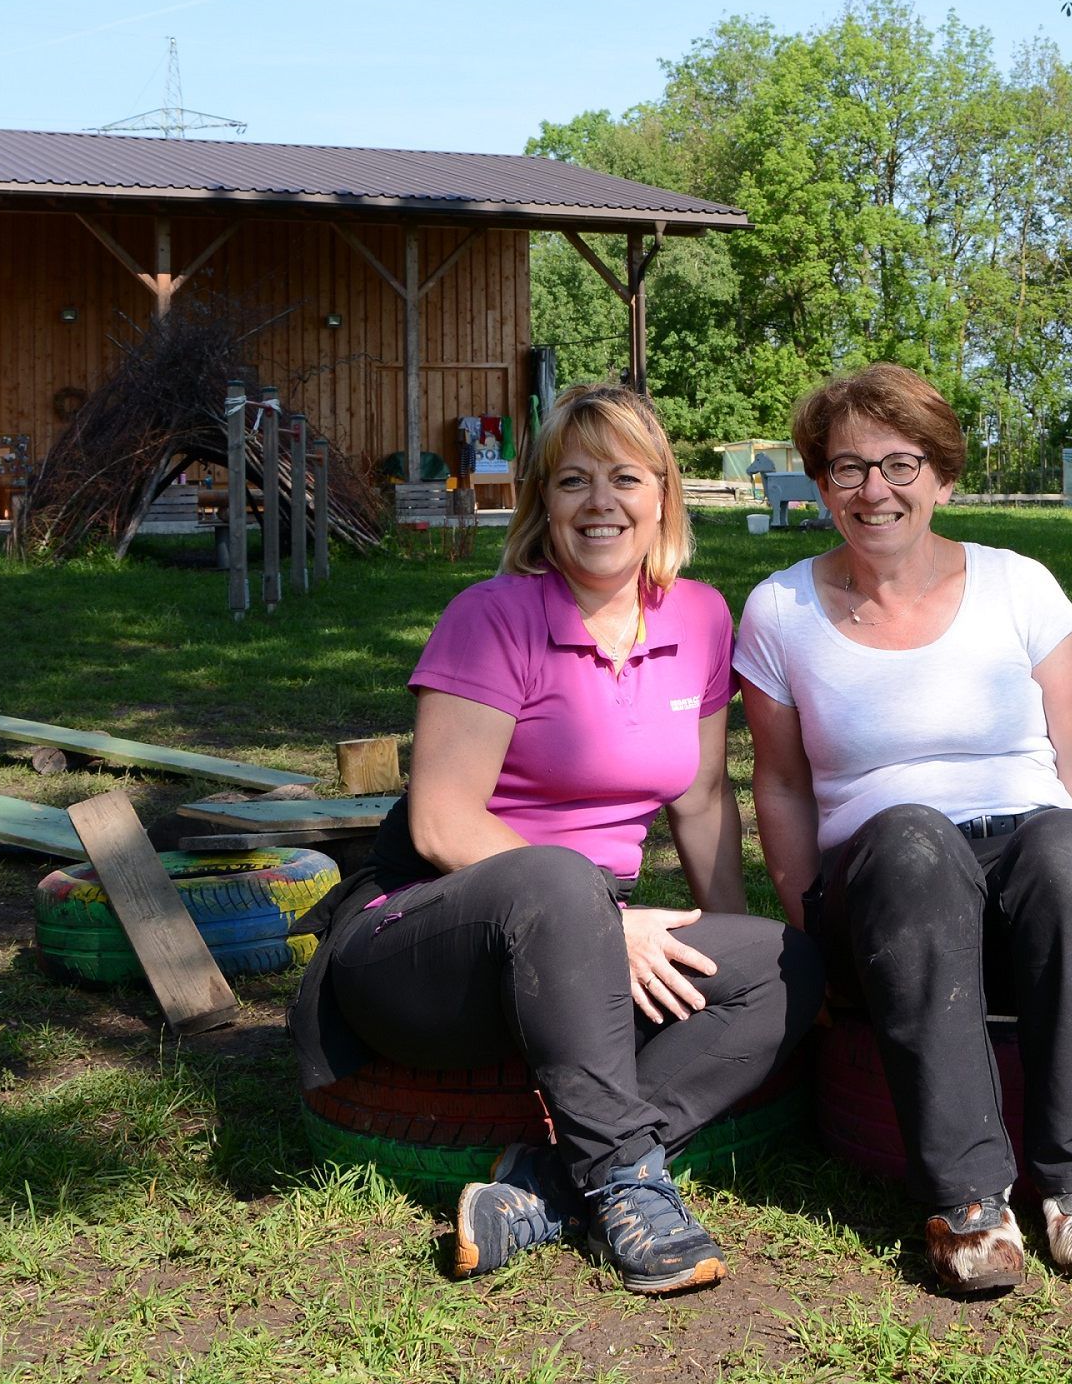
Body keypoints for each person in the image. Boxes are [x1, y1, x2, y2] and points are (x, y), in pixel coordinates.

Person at [290, 384, 822, 1296]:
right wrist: (601, 922)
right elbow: (441, 822)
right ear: (543, 503)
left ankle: (544, 1181)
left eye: (624, 478)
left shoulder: (698, 618)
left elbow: (698, 798)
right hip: (427, 940)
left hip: (580, 934)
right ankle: (622, 1181)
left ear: (663, 496)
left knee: (787, 965)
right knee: (556, 881)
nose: (600, 503)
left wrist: (717, 952)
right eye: (573, 481)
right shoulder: (490, 617)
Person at [733, 364, 1072, 1296]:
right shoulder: (780, 609)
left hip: (1030, 902)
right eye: (847, 469)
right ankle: (966, 1197)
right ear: (820, 485)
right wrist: (807, 939)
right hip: (889, 900)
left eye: (899, 464)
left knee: (1070, 845)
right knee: (911, 840)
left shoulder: (1021, 587)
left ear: (942, 477)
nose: (874, 491)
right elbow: (778, 787)